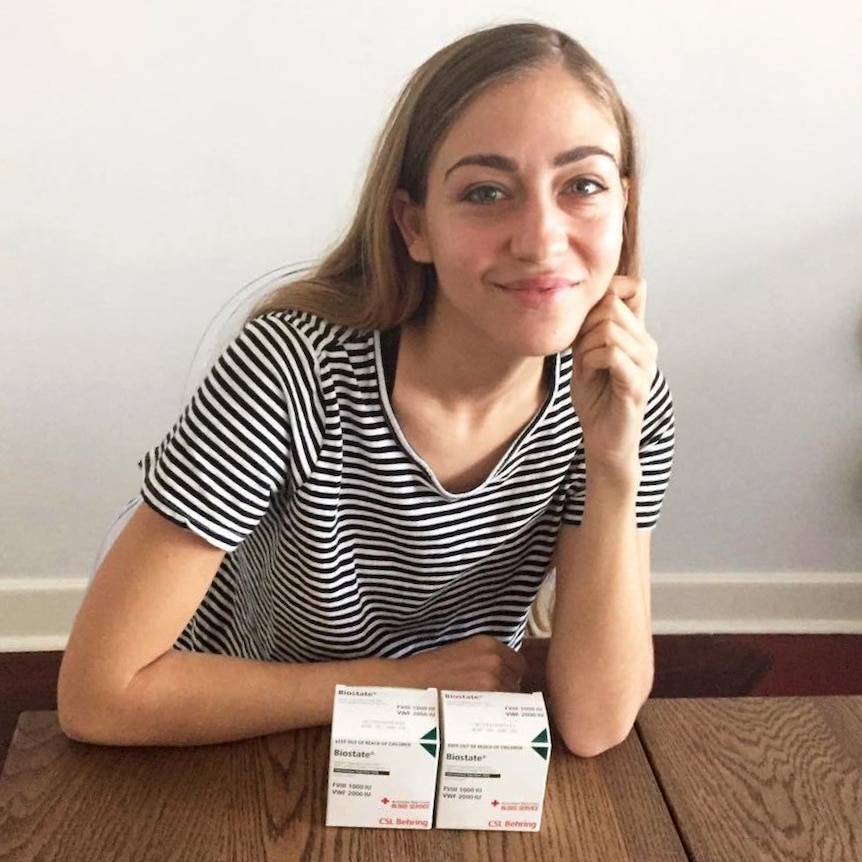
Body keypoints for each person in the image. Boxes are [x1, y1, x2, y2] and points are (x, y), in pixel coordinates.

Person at [58, 21, 674, 757]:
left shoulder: (622, 391)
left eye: (583, 185)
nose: (541, 239)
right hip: (239, 731)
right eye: (485, 192)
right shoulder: (292, 369)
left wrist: (612, 468)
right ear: (415, 226)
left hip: (450, 737)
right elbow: (100, 695)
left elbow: (596, 724)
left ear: (624, 204)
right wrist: (397, 684)